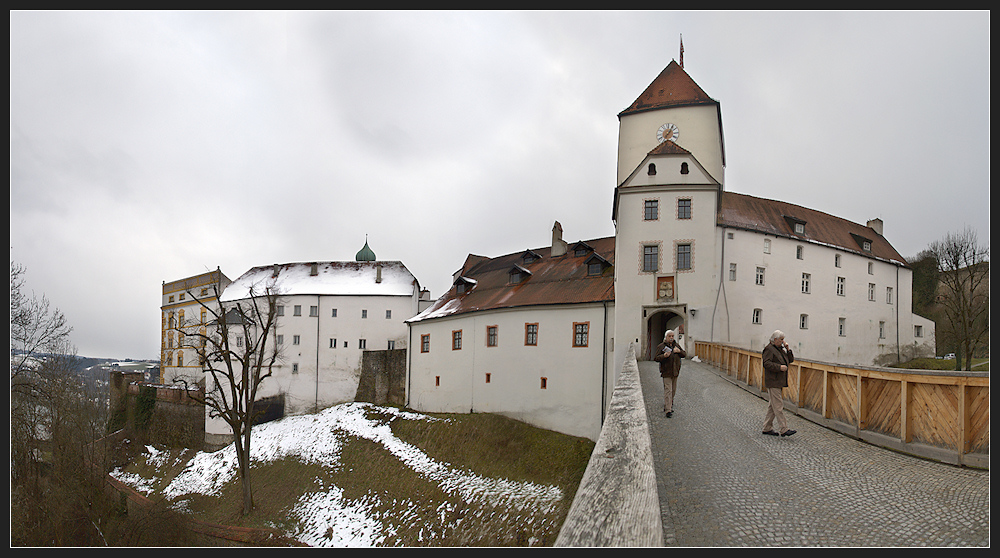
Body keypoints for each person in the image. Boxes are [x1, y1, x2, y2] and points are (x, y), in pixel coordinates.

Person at [761, 330, 796, 437]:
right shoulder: (769, 349)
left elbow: (790, 360)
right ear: (775, 339)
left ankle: (767, 428)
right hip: (773, 381)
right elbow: (766, 363)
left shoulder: (780, 349)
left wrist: (788, 349)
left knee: (773, 406)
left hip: (779, 381)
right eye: (781, 339)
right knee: (778, 405)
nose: (783, 341)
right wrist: (779, 367)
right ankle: (784, 429)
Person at [654, 330, 686, 417]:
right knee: (668, 390)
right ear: (666, 337)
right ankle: (668, 410)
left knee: (673, 391)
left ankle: (668, 404)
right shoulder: (661, 346)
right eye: (669, 336)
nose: (671, 338)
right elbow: (656, 358)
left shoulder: (676, 345)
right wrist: (663, 356)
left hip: (675, 372)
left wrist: (679, 351)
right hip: (666, 372)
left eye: (672, 336)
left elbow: (684, 354)